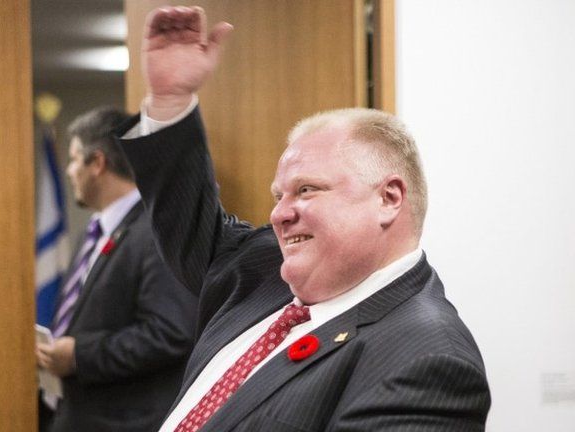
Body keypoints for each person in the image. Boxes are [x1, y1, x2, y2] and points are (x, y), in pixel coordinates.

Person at [116, 6, 491, 431]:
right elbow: (192, 223)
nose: (278, 214)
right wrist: (170, 101)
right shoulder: (264, 272)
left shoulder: (428, 360)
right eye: (279, 195)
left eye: (306, 190)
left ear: (388, 198)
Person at [36, 106, 198, 432]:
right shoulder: (94, 230)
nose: (69, 171)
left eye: (74, 159)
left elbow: (171, 332)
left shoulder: (157, 231)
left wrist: (82, 355)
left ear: (97, 163)